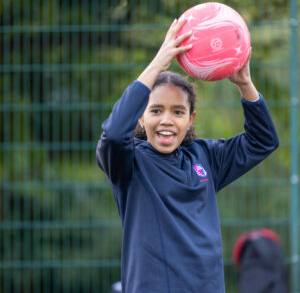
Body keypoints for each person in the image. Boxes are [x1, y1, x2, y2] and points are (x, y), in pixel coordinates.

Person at [96, 18, 279, 293]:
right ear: (141, 118)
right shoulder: (129, 163)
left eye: (177, 112)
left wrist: (244, 84)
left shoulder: (205, 158)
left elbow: (263, 140)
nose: (167, 120)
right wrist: (158, 63)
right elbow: (112, 134)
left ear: (190, 118)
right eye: (156, 110)